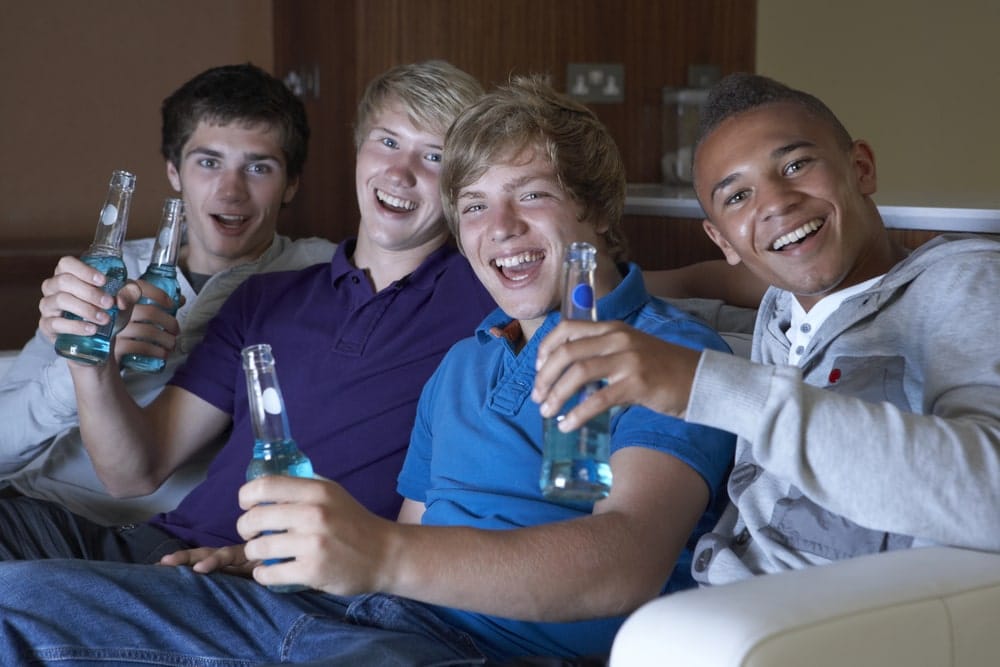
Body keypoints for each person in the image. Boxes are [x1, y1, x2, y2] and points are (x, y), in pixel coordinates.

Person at [0, 75, 735, 665]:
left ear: (599, 211)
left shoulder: (664, 353)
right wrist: (284, 561)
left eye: (531, 194)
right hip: (320, 606)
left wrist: (377, 554)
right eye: (475, 204)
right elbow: (413, 529)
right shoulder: (466, 360)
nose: (499, 226)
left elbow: (625, 559)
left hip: (433, 640)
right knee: (18, 601)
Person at [532, 72, 1000, 587]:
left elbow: (989, 495)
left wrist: (700, 385)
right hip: (722, 606)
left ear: (861, 169)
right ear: (722, 239)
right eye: (737, 197)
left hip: (840, 619)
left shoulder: (963, 282)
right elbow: (706, 293)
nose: (775, 202)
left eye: (796, 165)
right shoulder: (780, 311)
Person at [0, 63, 335, 525]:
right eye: (208, 162)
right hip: (31, 503)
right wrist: (89, 358)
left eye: (258, 167)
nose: (230, 191)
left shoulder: (320, 273)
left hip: (140, 537)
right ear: (174, 172)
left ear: (291, 184)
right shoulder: (116, 269)